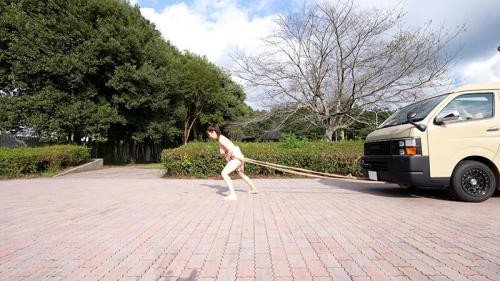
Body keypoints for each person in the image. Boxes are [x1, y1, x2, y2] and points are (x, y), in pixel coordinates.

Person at [206, 124, 258, 200]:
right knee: (241, 174)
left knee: (224, 173)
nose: (210, 136)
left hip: (236, 157)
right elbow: (222, 152)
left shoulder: (221, 139)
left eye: (210, 134)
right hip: (239, 156)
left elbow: (230, 150)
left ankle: (233, 195)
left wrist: (227, 158)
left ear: (213, 132)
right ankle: (254, 189)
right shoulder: (221, 138)